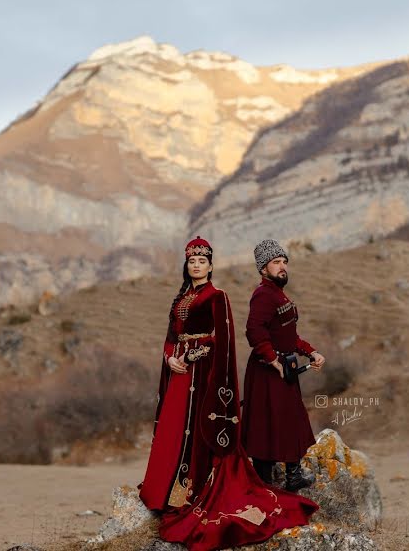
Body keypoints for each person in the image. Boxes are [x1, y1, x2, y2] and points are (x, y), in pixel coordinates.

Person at [138, 236, 318, 551]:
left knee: (199, 432)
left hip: (202, 374)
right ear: (187, 265)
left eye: (202, 261)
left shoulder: (217, 296)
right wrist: (171, 358)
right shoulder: (181, 298)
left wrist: (197, 355)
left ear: (210, 265)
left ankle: (196, 488)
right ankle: (166, 490)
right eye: (192, 261)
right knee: (175, 431)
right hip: (180, 374)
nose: (196, 265)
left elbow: (224, 340)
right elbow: (170, 336)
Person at [242, 239, 326, 492]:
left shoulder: (278, 294)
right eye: (276, 262)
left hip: (284, 368)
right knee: (264, 426)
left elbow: (290, 335)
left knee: (291, 420)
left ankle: (293, 477)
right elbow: (254, 332)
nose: (282, 267)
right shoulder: (263, 295)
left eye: (284, 262)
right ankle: (263, 483)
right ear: (263, 268)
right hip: (267, 371)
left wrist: (310, 352)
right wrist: (272, 360)